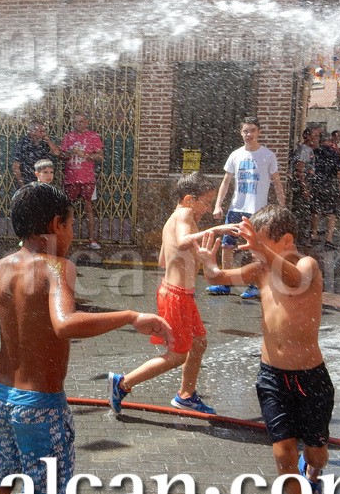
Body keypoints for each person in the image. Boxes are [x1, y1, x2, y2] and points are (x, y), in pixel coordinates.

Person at [0, 182, 170, 494]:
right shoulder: (57, 266)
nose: (72, 233)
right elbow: (65, 324)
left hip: (1, 400)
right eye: (70, 225)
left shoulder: (1, 267)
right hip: (40, 407)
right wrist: (130, 316)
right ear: (56, 224)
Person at [197, 205, 333, 494]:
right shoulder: (260, 270)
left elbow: (295, 279)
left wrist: (261, 248)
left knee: (316, 454)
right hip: (272, 376)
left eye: (260, 242)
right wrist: (207, 263)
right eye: (252, 243)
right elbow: (218, 278)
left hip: (311, 379)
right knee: (283, 454)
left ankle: (312, 473)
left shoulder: (307, 265)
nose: (253, 249)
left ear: (286, 240)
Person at [108, 173, 236, 415]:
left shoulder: (173, 218)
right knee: (177, 355)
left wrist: (194, 259)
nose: (208, 209)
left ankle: (186, 395)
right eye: (206, 202)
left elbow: (162, 260)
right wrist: (218, 229)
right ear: (189, 199)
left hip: (177, 293)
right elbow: (184, 241)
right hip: (177, 295)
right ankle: (122, 383)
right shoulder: (185, 214)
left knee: (198, 342)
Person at [207, 117, 285, 299]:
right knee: (227, 245)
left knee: (255, 247)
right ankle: (224, 283)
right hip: (236, 208)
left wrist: (282, 207)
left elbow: (277, 182)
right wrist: (218, 205)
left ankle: (255, 284)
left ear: (259, 133)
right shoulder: (235, 155)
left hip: (257, 211)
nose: (249, 134)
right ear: (241, 133)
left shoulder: (268, 155)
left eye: (252, 130)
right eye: (246, 131)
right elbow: (226, 181)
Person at [60, 113, 103, 250]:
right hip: (71, 178)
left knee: (89, 208)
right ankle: (67, 238)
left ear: (86, 122)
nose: (79, 124)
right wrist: (69, 153)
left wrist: (84, 155)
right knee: (69, 209)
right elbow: (62, 155)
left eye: (81, 121)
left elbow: (100, 156)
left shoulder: (93, 136)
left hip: (87, 178)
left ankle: (92, 240)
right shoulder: (68, 137)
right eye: (76, 122)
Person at [309, 130, 340, 250]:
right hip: (330, 184)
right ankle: (328, 239)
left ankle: (314, 235)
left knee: (315, 210)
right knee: (331, 212)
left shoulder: (315, 152)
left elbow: (310, 169)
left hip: (317, 184)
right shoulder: (335, 153)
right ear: (330, 141)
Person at [289, 125, 320, 244]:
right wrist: (305, 188)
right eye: (315, 136)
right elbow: (299, 170)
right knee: (301, 213)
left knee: (304, 213)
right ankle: (299, 240)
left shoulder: (307, 150)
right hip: (301, 187)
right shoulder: (305, 150)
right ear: (307, 136)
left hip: (304, 186)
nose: (317, 139)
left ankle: (300, 238)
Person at [12, 121, 60, 188]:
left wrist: (48, 140)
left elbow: (57, 153)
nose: (44, 133)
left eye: (44, 131)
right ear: (32, 132)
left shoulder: (44, 143)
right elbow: (16, 166)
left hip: (43, 182)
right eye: (41, 131)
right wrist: (22, 185)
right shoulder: (23, 143)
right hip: (28, 181)